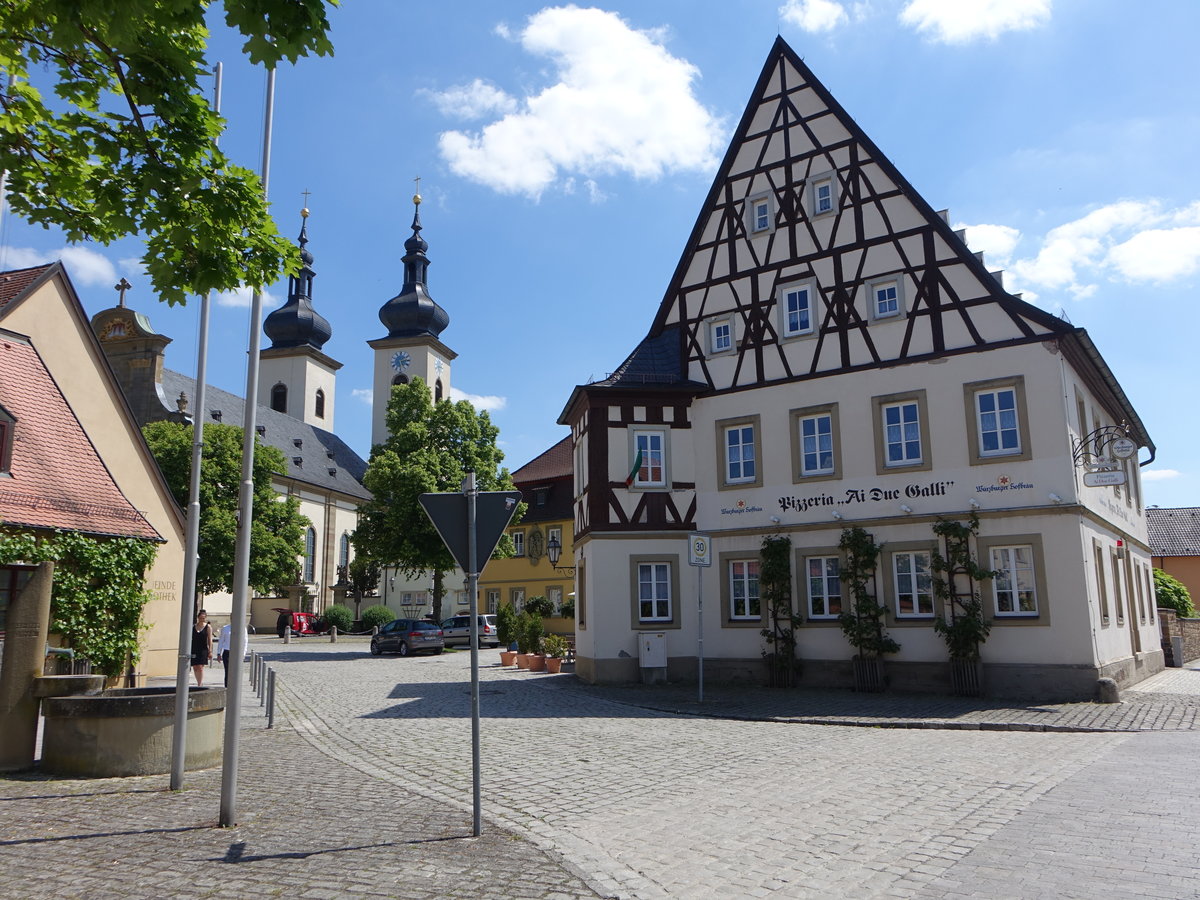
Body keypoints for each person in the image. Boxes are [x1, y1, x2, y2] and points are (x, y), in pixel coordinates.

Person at [216, 621, 248, 687]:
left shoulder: (243, 628)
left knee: (236, 672)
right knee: (228, 672)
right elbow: (221, 640)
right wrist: (219, 653)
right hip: (227, 652)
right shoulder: (225, 628)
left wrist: (243, 654)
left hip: (237, 653)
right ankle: (227, 688)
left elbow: (245, 642)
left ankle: (235, 688)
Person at [190, 609, 213, 686]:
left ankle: (199, 684)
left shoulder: (208, 627)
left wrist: (210, 651)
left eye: (203, 618)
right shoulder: (193, 626)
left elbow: (210, 639)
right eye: (200, 618)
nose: (202, 619)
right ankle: (198, 681)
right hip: (194, 648)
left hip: (203, 649)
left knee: (200, 667)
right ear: (198, 617)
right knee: (195, 667)